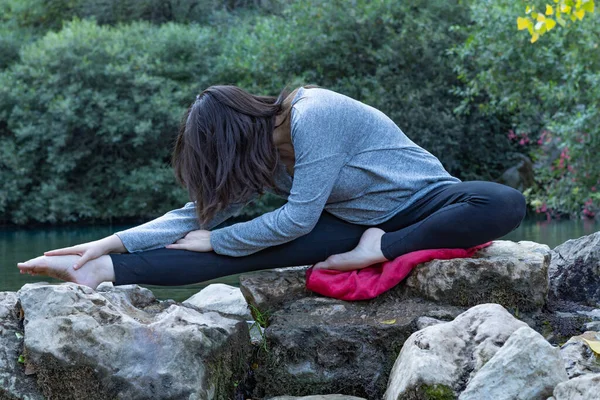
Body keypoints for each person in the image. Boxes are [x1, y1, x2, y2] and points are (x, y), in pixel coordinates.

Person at [17, 85, 527, 290]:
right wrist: (110, 243)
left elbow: (298, 220)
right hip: (350, 221)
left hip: (422, 202)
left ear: (237, 133)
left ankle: (381, 250)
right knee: (245, 248)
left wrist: (217, 237)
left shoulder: (314, 116)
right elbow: (195, 213)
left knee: (501, 201)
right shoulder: (261, 151)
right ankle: (101, 273)